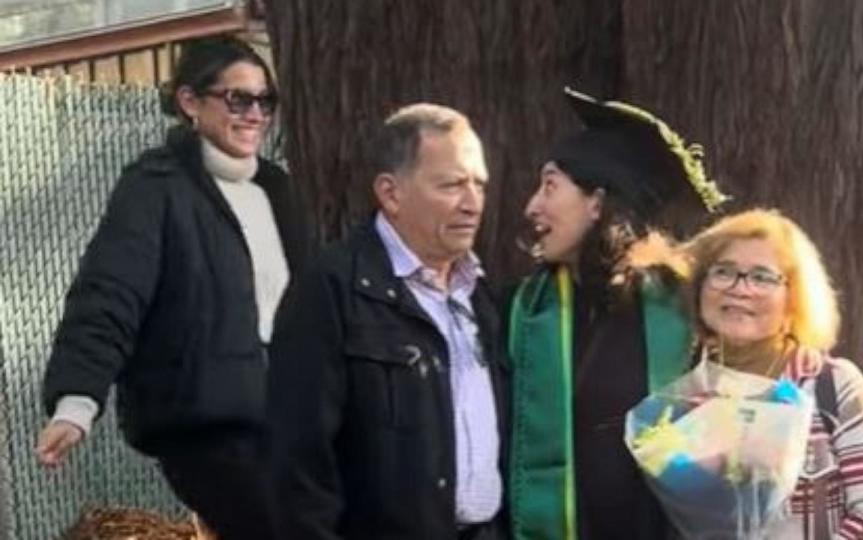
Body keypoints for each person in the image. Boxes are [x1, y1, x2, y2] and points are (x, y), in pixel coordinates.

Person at [36, 37, 306, 540]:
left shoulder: (277, 191)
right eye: (237, 99)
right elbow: (110, 293)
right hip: (206, 424)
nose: (255, 115)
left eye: (265, 101)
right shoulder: (155, 188)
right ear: (189, 102)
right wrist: (76, 400)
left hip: (288, 412)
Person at [268, 103, 509, 539]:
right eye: (453, 185)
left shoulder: (482, 295)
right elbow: (297, 459)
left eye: (480, 185)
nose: (472, 203)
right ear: (391, 193)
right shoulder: (332, 290)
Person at [507, 88, 728, 540]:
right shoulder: (519, 313)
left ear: (596, 202)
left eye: (550, 185)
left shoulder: (685, 309)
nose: (532, 206)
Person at [681, 208, 863, 538]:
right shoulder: (681, 397)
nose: (739, 289)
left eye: (762, 277)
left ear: (793, 300)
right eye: (723, 272)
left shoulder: (833, 386)